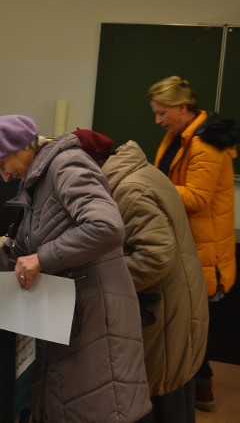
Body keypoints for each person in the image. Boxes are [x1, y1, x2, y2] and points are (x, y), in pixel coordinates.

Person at [0, 115, 151, 422]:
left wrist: (43, 258)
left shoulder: (67, 166)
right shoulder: (38, 178)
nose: (4, 177)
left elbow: (107, 227)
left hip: (96, 314)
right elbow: (20, 247)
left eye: (1, 165)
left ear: (22, 147)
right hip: (75, 309)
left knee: (97, 407)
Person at [75, 130, 208, 423]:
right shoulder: (132, 174)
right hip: (169, 306)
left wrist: (97, 279)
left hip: (162, 314)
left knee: (157, 398)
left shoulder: (128, 190)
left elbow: (155, 256)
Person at [148, 76, 240, 411]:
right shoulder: (178, 136)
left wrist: (149, 188)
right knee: (186, 324)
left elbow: (197, 198)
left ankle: (199, 387)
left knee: (192, 325)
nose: (158, 120)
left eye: (162, 113)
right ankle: (198, 387)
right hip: (187, 243)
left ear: (182, 107)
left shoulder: (205, 145)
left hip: (205, 250)